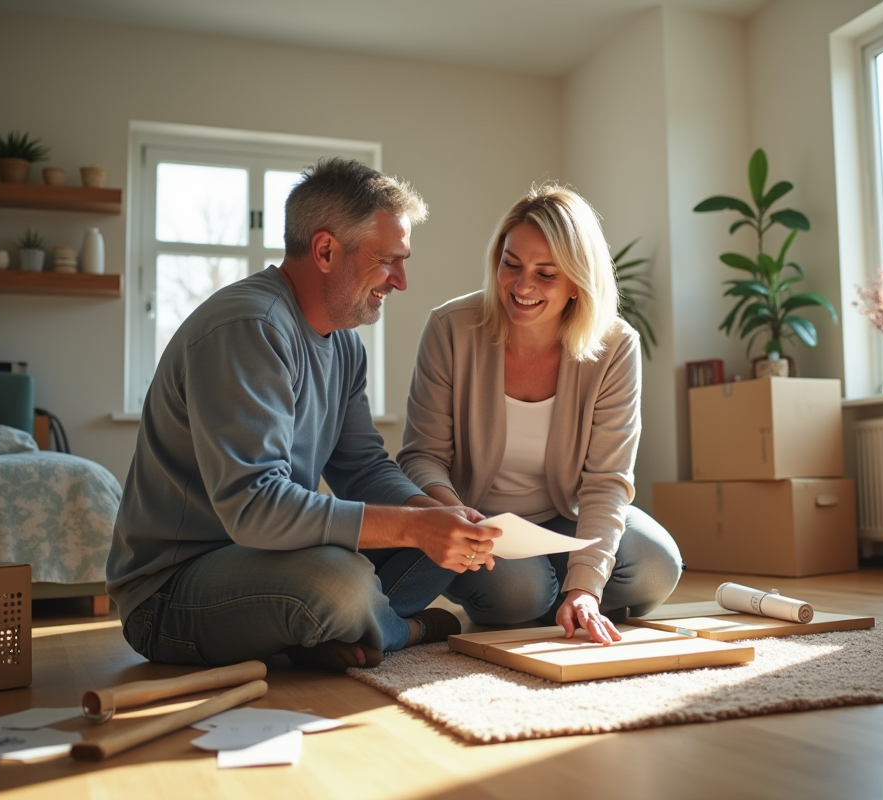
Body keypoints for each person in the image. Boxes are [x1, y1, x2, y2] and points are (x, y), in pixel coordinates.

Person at [107, 157, 501, 672]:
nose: (401, 281)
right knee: (339, 581)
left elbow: (362, 468)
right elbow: (255, 507)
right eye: (388, 260)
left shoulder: (345, 347)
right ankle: (401, 629)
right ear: (324, 250)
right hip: (172, 592)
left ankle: (325, 631)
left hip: (273, 561)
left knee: (434, 541)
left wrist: (434, 516)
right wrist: (413, 529)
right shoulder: (249, 327)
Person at [399, 183, 683, 645]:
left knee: (656, 566)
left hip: (567, 517)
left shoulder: (615, 345)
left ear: (577, 281)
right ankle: (547, 594)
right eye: (511, 264)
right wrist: (453, 514)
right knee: (517, 596)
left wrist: (587, 586)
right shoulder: (451, 328)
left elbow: (607, 480)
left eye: (546, 274)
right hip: (482, 522)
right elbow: (421, 455)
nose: (523, 286)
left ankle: (565, 595)